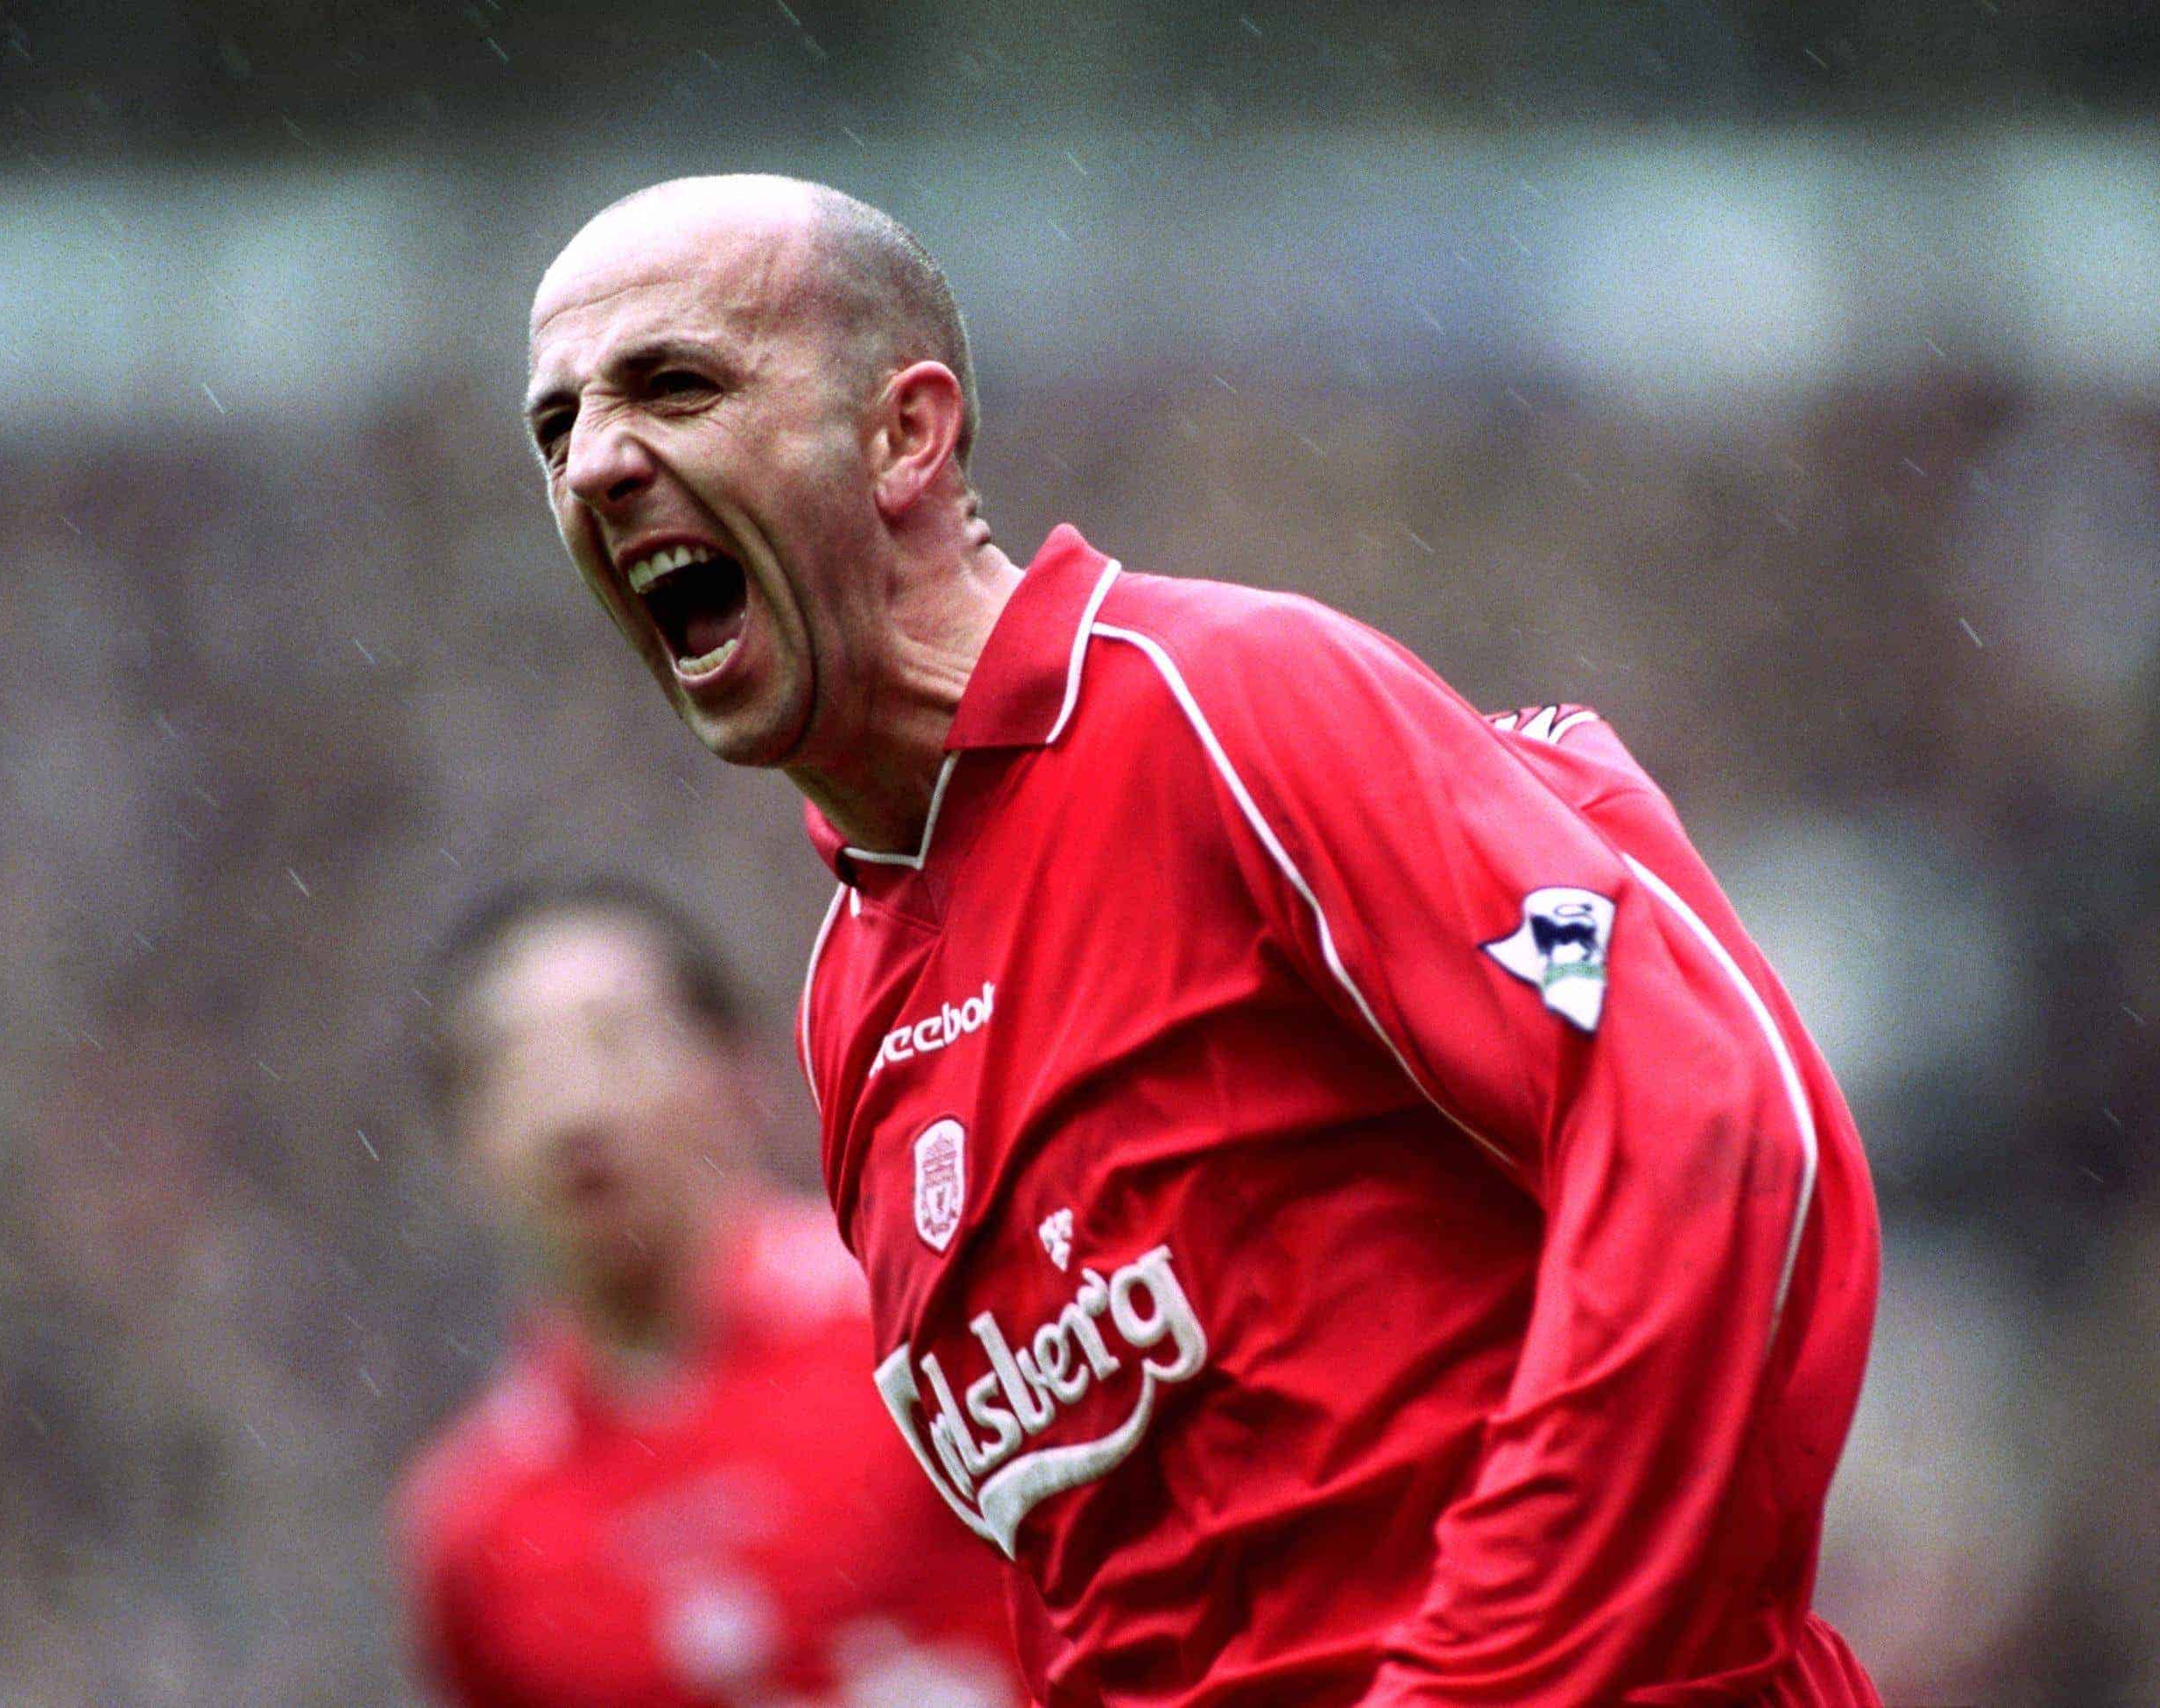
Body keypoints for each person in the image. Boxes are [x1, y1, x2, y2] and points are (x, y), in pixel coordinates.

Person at [520, 174, 1884, 1706]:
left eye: (677, 387)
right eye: (557, 429)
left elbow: (1719, 1140)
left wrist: (1476, 1677)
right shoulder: (852, 1007)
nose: (600, 465)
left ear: (906, 434)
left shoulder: (1221, 705)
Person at [392, 875, 1020, 1708]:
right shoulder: (474, 1531)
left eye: (615, 1041)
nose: (573, 1111)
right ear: (463, 1149)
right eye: (513, 1069)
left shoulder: (927, 1332)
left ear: (739, 1073)